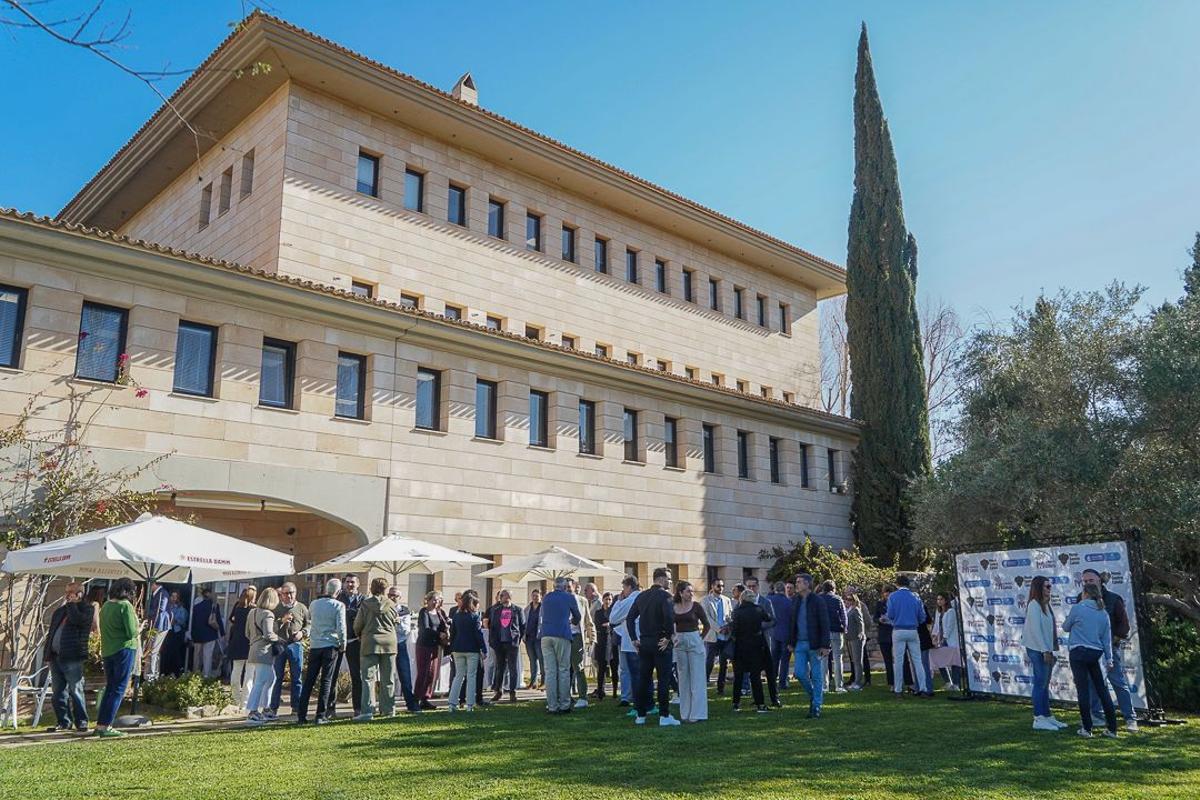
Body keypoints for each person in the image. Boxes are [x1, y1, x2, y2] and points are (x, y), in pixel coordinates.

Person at [1079, 569, 1137, 732]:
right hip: (1089, 650)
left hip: (1109, 650)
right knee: (1092, 684)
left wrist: (1111, 643)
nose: (1087, 583)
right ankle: (1096, 716)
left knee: (1118, 682)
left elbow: (1124, 626)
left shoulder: (1113, 599)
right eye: (1085, 581)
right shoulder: (1080, 599)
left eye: (1091, 580)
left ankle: (1130, 718)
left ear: (1099, 581)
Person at [1063, 583, 1118, 738]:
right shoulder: (1103, 613)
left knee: (1083, 690)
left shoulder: (1078, 608)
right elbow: (1107, 639)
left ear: (1085, 593)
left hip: (1078, 651)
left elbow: (1066, 627)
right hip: (1096, 653)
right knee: (1102, 689)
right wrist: (1110, 660)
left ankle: (1087, 728)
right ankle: (1112, 729)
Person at [627, 566, 679, 726]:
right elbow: (669, 618)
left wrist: (634, 639)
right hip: (660, 642)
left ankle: (641, 715)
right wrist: (669, 638)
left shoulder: (642, 596)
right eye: (669, 579)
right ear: (661, 579)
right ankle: (664, 715)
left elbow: (629, 618)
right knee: (663, 679)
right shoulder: (666, 596)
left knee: (644, 679)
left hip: (644, 643)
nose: (670, 582)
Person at [44, 582, 94, 732]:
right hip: (56, 657)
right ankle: (64, 722)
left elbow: (77, 620)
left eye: (71, 592)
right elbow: (51, 633)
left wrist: (73, 604)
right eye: (66, 592)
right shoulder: (60, 611)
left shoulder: (87, 609)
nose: (67, 595)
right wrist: (48, 654)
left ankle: (82, 721)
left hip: (72, 657)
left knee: (76, 690)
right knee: (58, 692)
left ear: (80, 593)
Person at [297, 578, 346, 724]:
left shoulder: (314, 604)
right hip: (330, 645)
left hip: (315, 645)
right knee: (326, 681)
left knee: (309, 680)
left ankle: (301, 715)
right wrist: (343, 644)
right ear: (338, 591)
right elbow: (341, 627)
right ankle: (320, 715)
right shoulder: (338, 605)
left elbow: (312, 621)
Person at [95, 578, 140, 737]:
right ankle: (106, 725)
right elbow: (131, 633)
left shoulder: (106, 606)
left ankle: (100, 725)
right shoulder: (125, 606)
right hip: (124, 650)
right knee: (119, 689)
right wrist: (140, 627)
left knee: (110, 688)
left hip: (108, 651)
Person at [1023, 575, 1067, 731]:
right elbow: (1035, 630)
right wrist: (1044, 650)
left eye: (1050, 586)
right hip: (1037, 649)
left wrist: (1050, 650)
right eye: (1047, 586)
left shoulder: (1045, 605)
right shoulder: (1034, 605)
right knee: (1040, 683)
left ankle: (1047, 715)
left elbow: (1048, 631)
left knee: (1044, 684)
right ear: (1039, 588)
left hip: (1045, 649)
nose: (1050, 589)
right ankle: (1038, 717)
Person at [354, 577, 398, 721]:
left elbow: (357, 625)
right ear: (386, 589)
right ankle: (388, 709)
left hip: (370, 643)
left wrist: (359, 633)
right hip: (389, 644)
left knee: (368, 678)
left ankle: (367, 710)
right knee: (388, 678)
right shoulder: (392, 604)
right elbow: (395, 622)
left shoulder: (365, 604)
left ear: (372, 588)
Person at [789, 573, 831, 718]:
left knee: (817, 676)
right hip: (799, 643)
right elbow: (792, 622)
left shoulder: (818, 601)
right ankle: (814, 695)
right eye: (797, 582)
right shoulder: (795, 600)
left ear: (807, 584)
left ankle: (816, 706)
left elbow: (825, 624)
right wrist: (791, 642)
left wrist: (825, 645)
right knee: (799, 673)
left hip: (815, 644)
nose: (797, 585)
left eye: (799, 582)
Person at [268, 582, 310, 720]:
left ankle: (296, 707)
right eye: (286, 593)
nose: (289, 596)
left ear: (295, 593)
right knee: (277, 677)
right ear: (281, 595)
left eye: (291, 592)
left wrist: (303, 633)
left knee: (296, 677)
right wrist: (282, 620)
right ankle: (273, 707)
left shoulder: (302, 608)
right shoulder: (276, 608)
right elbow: (271, 626)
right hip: (280, 644)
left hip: (295, 645)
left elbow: (309, 623)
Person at [540, 577, 581, 714]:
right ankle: (564, 704)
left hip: (545, 635)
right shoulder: (569, 597)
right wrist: (572, 621)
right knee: (563, 670)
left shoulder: (546, 597)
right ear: (564, 587)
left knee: (550, 672)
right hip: (562, 634)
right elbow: (578, 616)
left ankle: (552, 705)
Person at [672, 580, 710, 722]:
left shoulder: (696, 606)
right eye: (688, 591)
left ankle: (698, 714)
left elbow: (706, 625)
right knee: (683, 678)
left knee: (697, 677)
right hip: (680, 641)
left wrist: (700, 639)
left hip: (694, 639)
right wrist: (673, 636)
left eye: (692, 591)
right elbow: (671, 624)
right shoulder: (674, 607)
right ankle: (685, 713)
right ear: (681, 593)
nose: (691, 594)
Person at [244, 587, 282, 726]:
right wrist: (280, 639)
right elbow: (268, 634)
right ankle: (253, 711)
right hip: (264, 651)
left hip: (253, 648)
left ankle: (265, 709)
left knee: (270, 679)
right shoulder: (268, 614)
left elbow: (247, 633)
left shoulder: (252, 612)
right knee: (260, 681)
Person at [885, 575, 928, 696]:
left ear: (897, 584)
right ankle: (923, 688)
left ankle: (898, 689)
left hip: (898, 630)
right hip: (913, 630)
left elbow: (890, 615)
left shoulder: (893, 597)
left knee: (898, 661)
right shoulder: (915, 596)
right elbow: (922, 616)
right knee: (918, 661)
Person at [730, 588, 770, 713]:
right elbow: (768, 618)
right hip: (756, 646)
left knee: (739, 676)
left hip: (741, 647)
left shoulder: (737, 612)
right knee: (755, 676)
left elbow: (734, 631)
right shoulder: (758, 609)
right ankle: (760, 704)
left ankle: (736, 703)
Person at [448, 590, 487, 712]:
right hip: (471, 650)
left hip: (457, 649)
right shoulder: (475, 616)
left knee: (458, 676)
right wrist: (483, 649)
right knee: (471, 676)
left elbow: (453, 633)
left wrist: (451, 649)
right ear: (474, 603)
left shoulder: (456, 615)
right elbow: (478, 634)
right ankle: (470, 704)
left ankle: (452, 704)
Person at [743, 576, 780, 706]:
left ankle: (774, 698)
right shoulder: (743, 603)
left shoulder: (765, 602)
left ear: (758, 587)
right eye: (749, 586)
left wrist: (760, 625)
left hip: (764, 640)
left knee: (769, 672)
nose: (751, 589)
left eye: (753, 586)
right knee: (754, 672)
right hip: (751, 643)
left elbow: (773, 620)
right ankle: (757, 698)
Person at [332, 574, 365, 718]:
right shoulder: (338, 598)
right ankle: (330, 708)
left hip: (355, 641)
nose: (350, 585)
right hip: (338, 641)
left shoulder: (363, 600)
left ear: (358, 584)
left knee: (356, 676)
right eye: (347, 582)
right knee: (333, 676)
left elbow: (363, 617)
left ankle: (357, 707)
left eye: (352, 582)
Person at [607, 575, 641, 707]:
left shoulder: (629, 600)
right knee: (636, 670)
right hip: (637, 638)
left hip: (630, 641)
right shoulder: (643, 597)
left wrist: (619, 601)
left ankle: (628, 696)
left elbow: (613, 618)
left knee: (628, 670)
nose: (623, 591)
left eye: (624, 587)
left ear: (629, 587)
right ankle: (633, 696)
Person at [488, 589, 525, 702]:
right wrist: (493, 642)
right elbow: (492, 626)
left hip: (512, 643)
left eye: (503, 595)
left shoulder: (517, 610)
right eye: (501, 596)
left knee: (513, 668)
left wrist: (517, 640)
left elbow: (522, 626)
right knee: (500, 668)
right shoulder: (496, 610)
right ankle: (498, 691)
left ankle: (512, 691)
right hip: (499, 643)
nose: (501, 598)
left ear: (509, 596)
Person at [387, 585, 419, 713]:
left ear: (400, 597)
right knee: (387, 675)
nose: (392, 597)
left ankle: (411, 703)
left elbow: (405, 631)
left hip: (400, 644)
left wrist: (397, 621)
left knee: (405, 674)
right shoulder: (384, 608)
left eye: (395, 595)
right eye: (390, 595)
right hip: (387, 644)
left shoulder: (404, 610)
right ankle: (388, 705)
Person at [413, 591, 446, 710]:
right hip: (424, 645)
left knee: (432, 674)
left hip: (434, 646)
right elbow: (425, 628)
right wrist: (439, 634)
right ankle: (416, 698)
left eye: (438, 600)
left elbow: (444, 625)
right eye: (434, 599)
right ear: (428, 599)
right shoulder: (424, 612)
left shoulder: (439, 612)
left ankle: (425, 698)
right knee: (423, 672)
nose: (436, 602)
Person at [566, 578, 596, 708]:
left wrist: (592, 638)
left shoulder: (582, 601)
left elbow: (589, 621)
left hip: (577, 636)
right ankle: (564, 696)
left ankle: (583, 697)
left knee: (578, 667)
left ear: (574, 586)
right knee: (563, 668)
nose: (567, 589)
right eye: (565, 587)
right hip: (562, 636)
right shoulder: (559, 600)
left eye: (569, 586)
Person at [226, 586, 257, 709]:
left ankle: (235, 699)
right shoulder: (253, 610)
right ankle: (245, 703)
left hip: (237, 642)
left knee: (236, 672)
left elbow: (231, 619)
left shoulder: (237, 607)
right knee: (249, 675)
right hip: (250, 643)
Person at [700, 579, 733, 695]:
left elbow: (730, 615)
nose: (721, 588)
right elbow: (707, 619)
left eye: (723, 585)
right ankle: (703, 685)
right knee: (709, 662)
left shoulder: (727, 600)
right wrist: (719, 629)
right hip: (713, 636)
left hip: (725, 636)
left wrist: (728, 626)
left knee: (724, 663)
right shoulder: (705, 601)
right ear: (713, 586)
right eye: (718, 586)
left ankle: (721, 688)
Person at [189, 586, 225, 679]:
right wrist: (222, 633)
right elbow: (218, 620)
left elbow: (193, 622)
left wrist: (192, 635)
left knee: (197, 657)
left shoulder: (196, 607)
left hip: (197, 635)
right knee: (207, 657)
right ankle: (206, 677)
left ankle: (195, 676)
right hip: (210, 635)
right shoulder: (214, 606)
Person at [820, 580, 848, 694]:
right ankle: (839, 686)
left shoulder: (819, 599)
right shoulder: (838, 599)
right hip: (836, 630)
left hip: (823, 632)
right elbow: (843, 615)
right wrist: (845, 627)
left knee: (823, 660)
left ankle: (824, 686)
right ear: (833, 589)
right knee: (837, 659)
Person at [930, 593, 962, 690]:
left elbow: (949, 627)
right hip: (941, 639)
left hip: (950, 639)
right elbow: (937, 624)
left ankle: (956, 684)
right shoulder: (939, 611)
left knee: (955, 661)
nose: (939, 601)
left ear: (946, 600)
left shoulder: (951, 611)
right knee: (939, 659)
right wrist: (934, 635)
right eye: (938, 599)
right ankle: (947, 681)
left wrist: (944, 638)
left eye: (941, 599)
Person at [768, 581, 794, 693]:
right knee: (785, 660)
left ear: (775, 589)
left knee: (774, 659)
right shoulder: (789, 602)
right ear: (784, 590)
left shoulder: (770, 600)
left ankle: (772, 681)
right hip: (786, 634)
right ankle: (782, 682)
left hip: (773, 633)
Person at [593, 591, 619, 699]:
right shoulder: (598, 612)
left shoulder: (614, 612)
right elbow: (598, 624)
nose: (607, 601)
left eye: (609, 599)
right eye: (606, 599)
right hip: (602, 641)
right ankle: (600, 691)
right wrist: (608, 624)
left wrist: (609, 624)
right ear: (602, 600)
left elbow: (615, 623)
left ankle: (614, 691)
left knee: (614, 667)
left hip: (612, 642)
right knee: (601, 668)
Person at [144, 581, 171, 682]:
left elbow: (160, 609)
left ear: (155, 584)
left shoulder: (163, 593)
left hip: (160, 626)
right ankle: (153, 676)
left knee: (152, 651)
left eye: (149, 585)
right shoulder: (157, 594)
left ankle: (150, 678)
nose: (148, 587)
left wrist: (146, 612)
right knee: (153, 651)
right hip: (155, 625)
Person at [160, 590, 189, 678]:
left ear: (178, 598)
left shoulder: (182, 609)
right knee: (166, 653)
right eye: (172, 596)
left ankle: (176, 672)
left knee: (175, 653)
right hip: (166, 631)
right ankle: (165, 672)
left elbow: (183, 621)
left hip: (176, 632)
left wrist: (175, 621)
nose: (173, 598)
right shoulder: (166, 607)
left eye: (175, 596)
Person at [844, 592, 867, 690]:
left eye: (850, 599)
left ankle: (858, 682)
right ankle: (855, 681)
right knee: (854, 660)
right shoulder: (847, 610)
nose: (847, 601)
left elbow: (860, 623)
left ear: (854, 601)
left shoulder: (856, 609)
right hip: (849, 638)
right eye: (846, 599)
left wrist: (861, 633)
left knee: (857, 661)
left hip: (857, 638)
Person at [874, 585, 894, 688]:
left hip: (894, 632)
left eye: (889, 592)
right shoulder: (879, 603)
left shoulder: (896, 603)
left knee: (899, 660)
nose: (887, 594)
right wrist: (879, 620)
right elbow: (875, 618)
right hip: (883, 634)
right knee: (888, 660)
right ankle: (891, 683)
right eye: (886, 592)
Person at [523, 589, 543, 689]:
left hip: (539, 638)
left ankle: (543, 681)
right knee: (532, 660)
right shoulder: (527, 609)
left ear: (541, 596)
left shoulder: (543, 608)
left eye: (537, 596)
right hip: (529, 637)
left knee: (541, 659)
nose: (535, 598)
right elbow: (524, 623)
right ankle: (533, 681)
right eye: (533, 596)